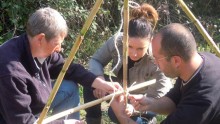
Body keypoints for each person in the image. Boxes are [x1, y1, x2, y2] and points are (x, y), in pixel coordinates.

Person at [0, 7, 121, 124]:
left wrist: (101, 83)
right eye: (57, 43)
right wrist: (63, 123)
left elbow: (69, 69)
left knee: (69, 88)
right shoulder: (11, 72)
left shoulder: (38, 48)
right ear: (40, 38)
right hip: (11, 118)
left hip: (32, 105)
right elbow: (23, 121)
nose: (59, 49)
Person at [112, 23, 220, 124]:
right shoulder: (198, 63)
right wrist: (150, 103)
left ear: (176, 61)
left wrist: (121, 116)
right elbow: (174, 99)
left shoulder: (200, 102)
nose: (155, 63)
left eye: (157, 58)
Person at [83, 3, 172, 124]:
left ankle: (146, 120)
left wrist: (136, 108)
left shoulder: (157, 57)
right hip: (118, 88)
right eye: (129, 46)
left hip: (141, 99)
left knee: (115, 113)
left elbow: (160, 99)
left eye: (140, 48)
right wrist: (100, 82)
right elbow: (96, 60)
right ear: (124, 38)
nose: (134, 53)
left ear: (150, 42)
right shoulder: (116, 42)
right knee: (90, 83)